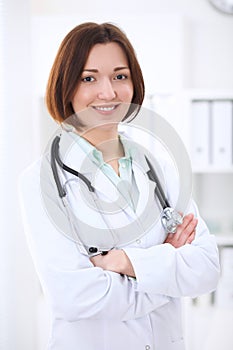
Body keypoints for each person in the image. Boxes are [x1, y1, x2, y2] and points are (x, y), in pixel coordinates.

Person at [19, 22, 220, 350]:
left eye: (120, 76)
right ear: (66, 87)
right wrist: (168, 265)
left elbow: (208, 270)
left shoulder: (161, 169)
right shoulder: (41, 180)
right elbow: (73, 297)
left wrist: (127, 263)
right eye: (89, 78)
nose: (108, 92)